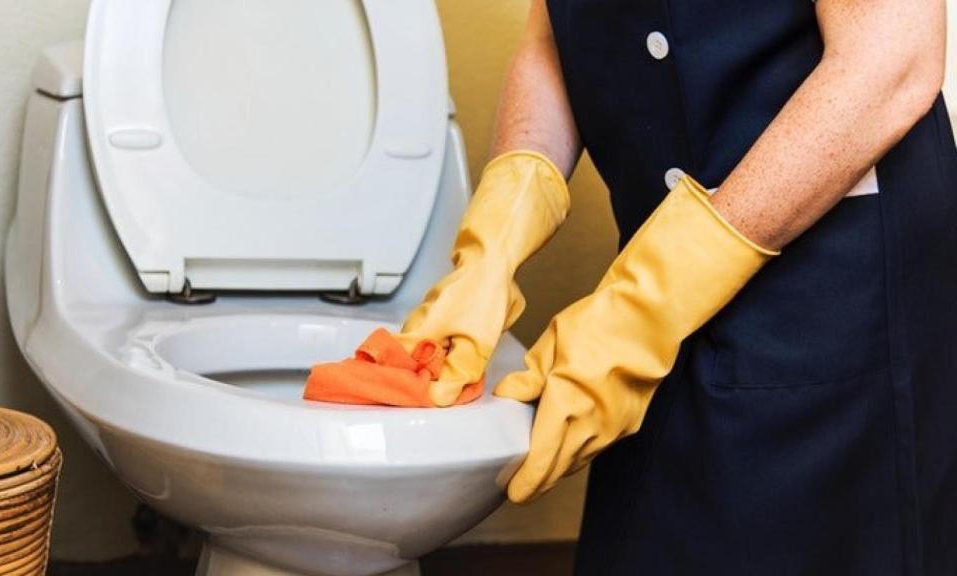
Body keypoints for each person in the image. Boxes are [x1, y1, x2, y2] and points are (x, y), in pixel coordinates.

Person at [395, 0, 956, 573]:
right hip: (658, 284)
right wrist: (499, 234)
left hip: (829, 284)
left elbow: (894, 58)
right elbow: (552, 39)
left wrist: (644, 306)